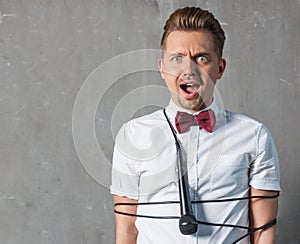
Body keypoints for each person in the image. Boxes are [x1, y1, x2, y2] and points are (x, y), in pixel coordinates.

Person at [110, 6, 280, 244]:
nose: (188, 70)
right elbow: (127, 229)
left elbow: (264, 230)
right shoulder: (132, 135)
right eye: (177, 58)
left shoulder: (255, 136)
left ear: (220, 68)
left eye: (201, 58)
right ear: (162, 67)